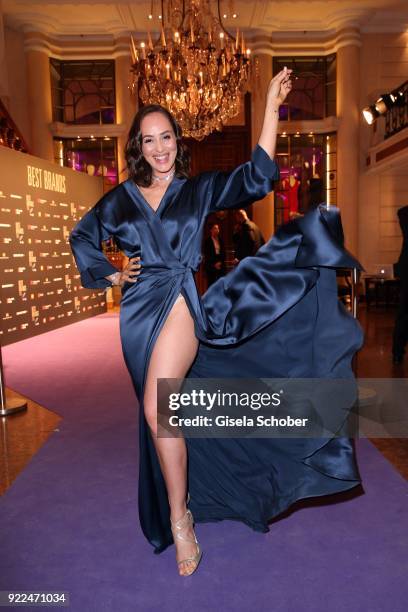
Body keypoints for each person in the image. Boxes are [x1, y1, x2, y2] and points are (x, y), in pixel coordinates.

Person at [69, 67, 363, 577]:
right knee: (165, 413)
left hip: (181, 299)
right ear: (138, 147)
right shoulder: (119, 200)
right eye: (149, 140)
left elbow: (258, 177)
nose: (159, 148)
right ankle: (193, 493)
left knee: (157, 402)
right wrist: (112, 273)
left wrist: (270, 109)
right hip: (138, 313)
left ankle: (180, 518)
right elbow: (82, 236)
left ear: (177, 142)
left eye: (166, 138)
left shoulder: (198, 189)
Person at [392, 205, 408, 364]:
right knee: (404, 312)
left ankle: (398, 351)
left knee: (404, 312)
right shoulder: (404, 213)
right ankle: (397, 351)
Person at [203, 222, 226, 286]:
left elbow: (224, 252)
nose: (217, 230)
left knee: (221, 284)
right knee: (211, 284)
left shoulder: (221, 240)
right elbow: (207, 255)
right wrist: (214, 265)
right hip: (211, 265)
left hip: (220, 263)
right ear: (211, 230)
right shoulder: (207, 241)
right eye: (215, 228)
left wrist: (220, 262)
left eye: (218, 228)